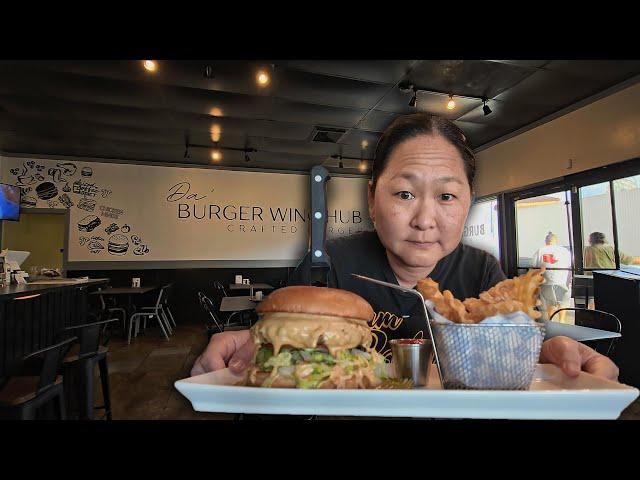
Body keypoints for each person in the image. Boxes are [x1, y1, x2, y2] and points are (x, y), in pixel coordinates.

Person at [192, 113, 619, 383]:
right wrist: (247, 346)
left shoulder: (483, 274)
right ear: (373, 201)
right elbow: (275, 352)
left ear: (468, 203)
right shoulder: (330, 267)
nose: (425, 220)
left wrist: (546, 353)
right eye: (405, 195)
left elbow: (509, 352)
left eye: (447, 197)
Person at [531, 232, 572, 321]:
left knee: (550, 303)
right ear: (556, 241)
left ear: (546, 241)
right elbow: (569, 266)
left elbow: (534, 266)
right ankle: (562, 321)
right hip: (561, 281)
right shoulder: (564, 251)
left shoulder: (540, 250)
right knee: (562, 303)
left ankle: (551, 320)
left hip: (546, 282)